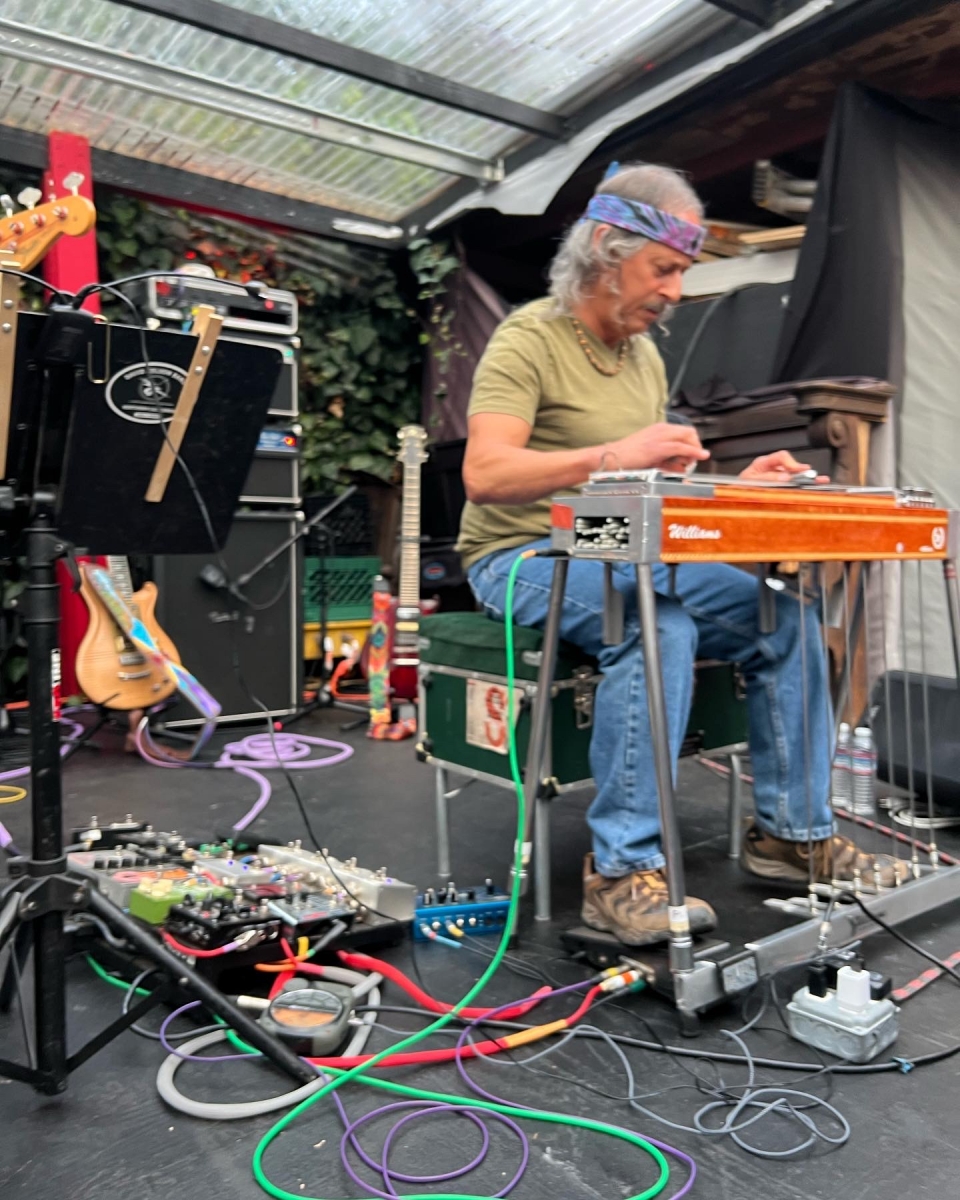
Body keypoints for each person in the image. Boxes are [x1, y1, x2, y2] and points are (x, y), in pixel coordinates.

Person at [457, 163, 906, 947]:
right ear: (605, 253)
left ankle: (791, 837)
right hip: (522, 551)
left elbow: (653, 483)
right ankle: (620, 873)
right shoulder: (528, 337)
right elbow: (485, 474)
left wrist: (736, 484)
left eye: (680, 272)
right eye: (662, 268)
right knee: (657, 626)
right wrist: (612, 455)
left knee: (788, 621)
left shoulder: (643, 358)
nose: (674, 290)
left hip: (617, 543)